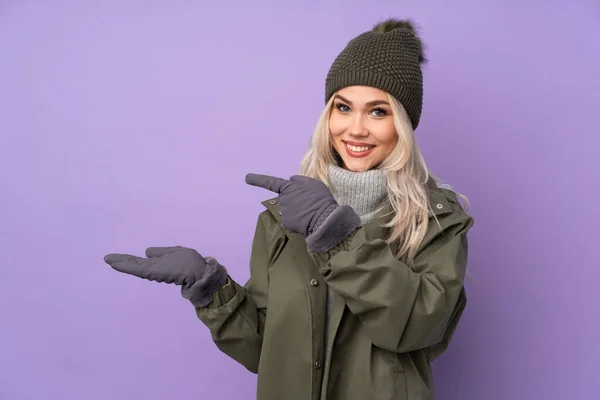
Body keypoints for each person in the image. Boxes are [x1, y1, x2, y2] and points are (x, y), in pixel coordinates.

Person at [103, 17, 475, 400]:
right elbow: (265, 351)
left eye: (378, 111)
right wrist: (210, 288)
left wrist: (334, 233)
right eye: (343, 107)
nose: (356, 128)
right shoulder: (283, 218)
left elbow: (414, 328)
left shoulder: (436, 220)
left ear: (403, 123)